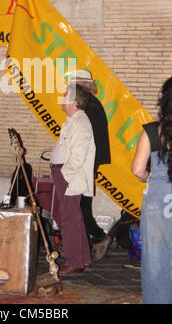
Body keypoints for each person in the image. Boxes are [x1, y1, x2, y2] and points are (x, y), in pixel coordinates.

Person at [131, 77, 172, 304]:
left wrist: (150, 177)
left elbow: (137, 169)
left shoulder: (152, 131)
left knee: (156, 261)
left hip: (157, 204)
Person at [51, 84, 95, 275]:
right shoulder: (74, 120)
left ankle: (74, 262)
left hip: (70, 177)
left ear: (75, 102)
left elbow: (78, 155)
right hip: (67, 175)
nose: (62, 96)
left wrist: (65, 174)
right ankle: (83, 259)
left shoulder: (80, 123)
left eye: (66, 95)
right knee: (75, 218)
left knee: (69, 219)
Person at [67, 69, 111, 260]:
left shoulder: (89, 108)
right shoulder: (91, 105)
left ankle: (97, 239)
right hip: (87, 161)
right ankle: (90, 241)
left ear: (83, 85)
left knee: (81, 205)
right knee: (82, 205)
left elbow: (84, 141)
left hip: (86, 162)